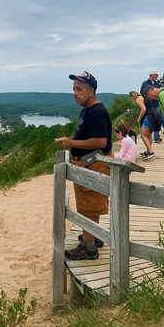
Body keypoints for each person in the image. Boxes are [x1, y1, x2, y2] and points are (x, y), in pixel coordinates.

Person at [55, 72, 113, 261]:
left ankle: (88, 248)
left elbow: (100, 141)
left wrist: (71, 144)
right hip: (89, 163)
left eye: (79, 89)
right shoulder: (87, 109)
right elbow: (85, 137)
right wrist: (71, 141)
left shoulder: (97, 111)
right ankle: (93, 237)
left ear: (91, 91)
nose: (75, 93)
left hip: (93, 163)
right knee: (90, 206)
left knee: (89, 209)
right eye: (73, 89)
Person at [137, 69, 164, 161]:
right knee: (148, 132)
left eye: (157, 75)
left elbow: (160, 94)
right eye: (156, 75)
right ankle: (148, 150)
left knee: (147, 131)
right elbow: (142, 94)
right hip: (148, 108)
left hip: (155, 108)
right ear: (151, 75)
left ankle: (150, 150)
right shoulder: (145, 83)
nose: (157, 76)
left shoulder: (158, 84)